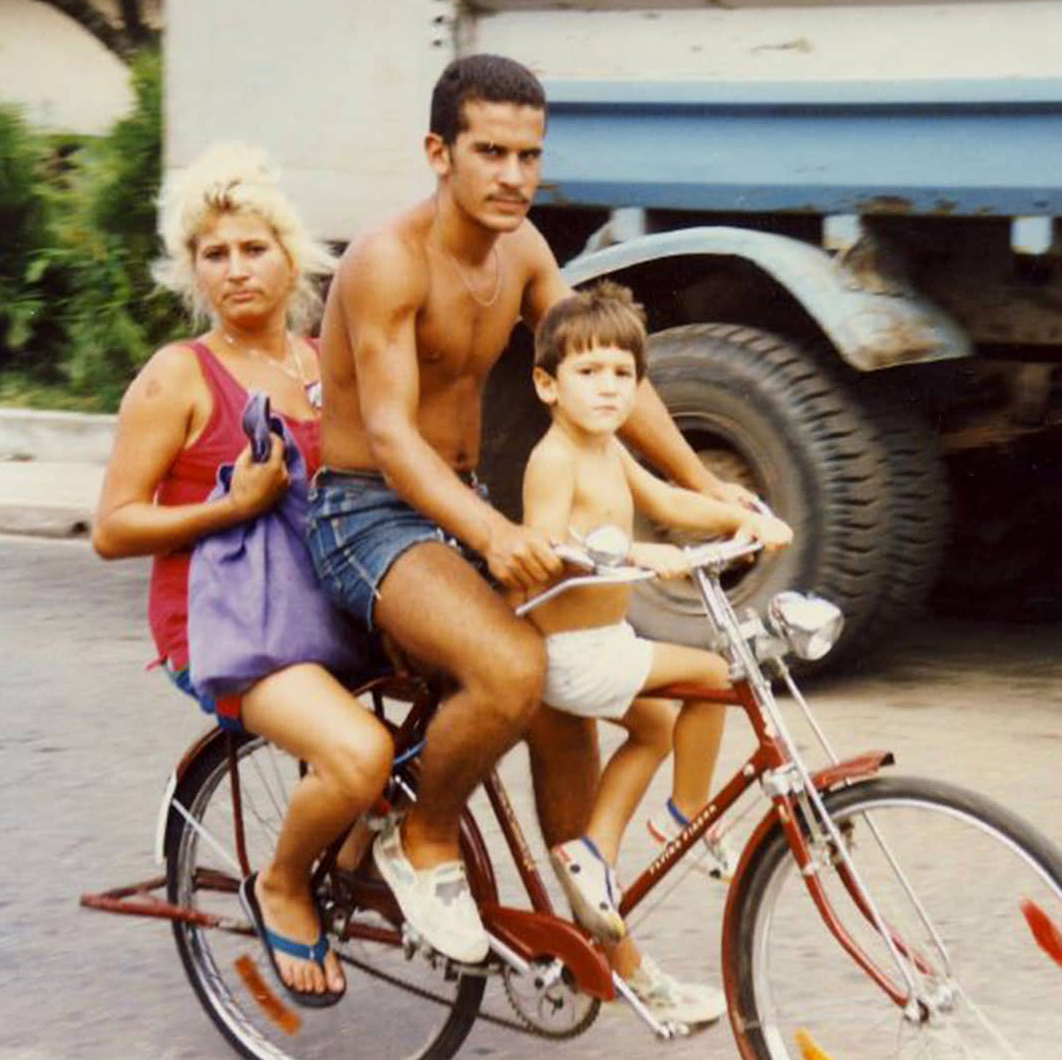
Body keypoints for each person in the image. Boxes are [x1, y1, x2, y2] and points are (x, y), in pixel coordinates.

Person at [306, 53, 755, 988]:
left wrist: (703, 488)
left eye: (530, 155)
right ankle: (420, 837)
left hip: (459, 497)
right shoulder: (389, 261)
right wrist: (492, 533)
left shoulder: (526, 254)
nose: (514, 176)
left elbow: (612, 381)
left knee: (567, 695)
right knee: (514, 667)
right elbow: (388, 436)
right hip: (365, 513)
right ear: (440, 152)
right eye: (491, 152)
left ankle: (598, 935)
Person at [93, 143, 390, 1006]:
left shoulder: (315, 360)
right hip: (224, 624)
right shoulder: (177, 376)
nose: (235, 270)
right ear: (192, 271)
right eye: (212, 254)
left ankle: (354, 855)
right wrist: (229, 506)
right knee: (360, 751)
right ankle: (284, 885)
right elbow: (113, 528)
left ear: (290, 255)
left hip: (320, 608)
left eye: (252, 248)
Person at [517, 282, 794, 1021]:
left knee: (659, 725)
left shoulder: (607, 449)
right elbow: (550, 548)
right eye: (588, 373)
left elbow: (672, 503)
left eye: (622, 375)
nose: (608, 388)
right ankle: (685, 812)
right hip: (570, 647)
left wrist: (740, 513)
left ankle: (593, 856)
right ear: (548, 385)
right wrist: (643, 556)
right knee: (708, 673)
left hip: (606, 640)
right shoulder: (556, 459)